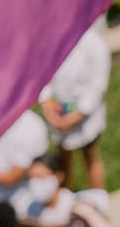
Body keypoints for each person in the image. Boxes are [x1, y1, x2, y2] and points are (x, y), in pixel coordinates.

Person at [40, 20, 110, 191]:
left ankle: (97, 200)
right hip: (58, 111)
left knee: (90, 156)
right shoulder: (51, 40)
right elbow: (42, 74)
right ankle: (66, 196)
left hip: (84, 116)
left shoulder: (94, 44)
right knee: (64, 159)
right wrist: (48, 106)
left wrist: (78, 114)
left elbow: (97, 85)